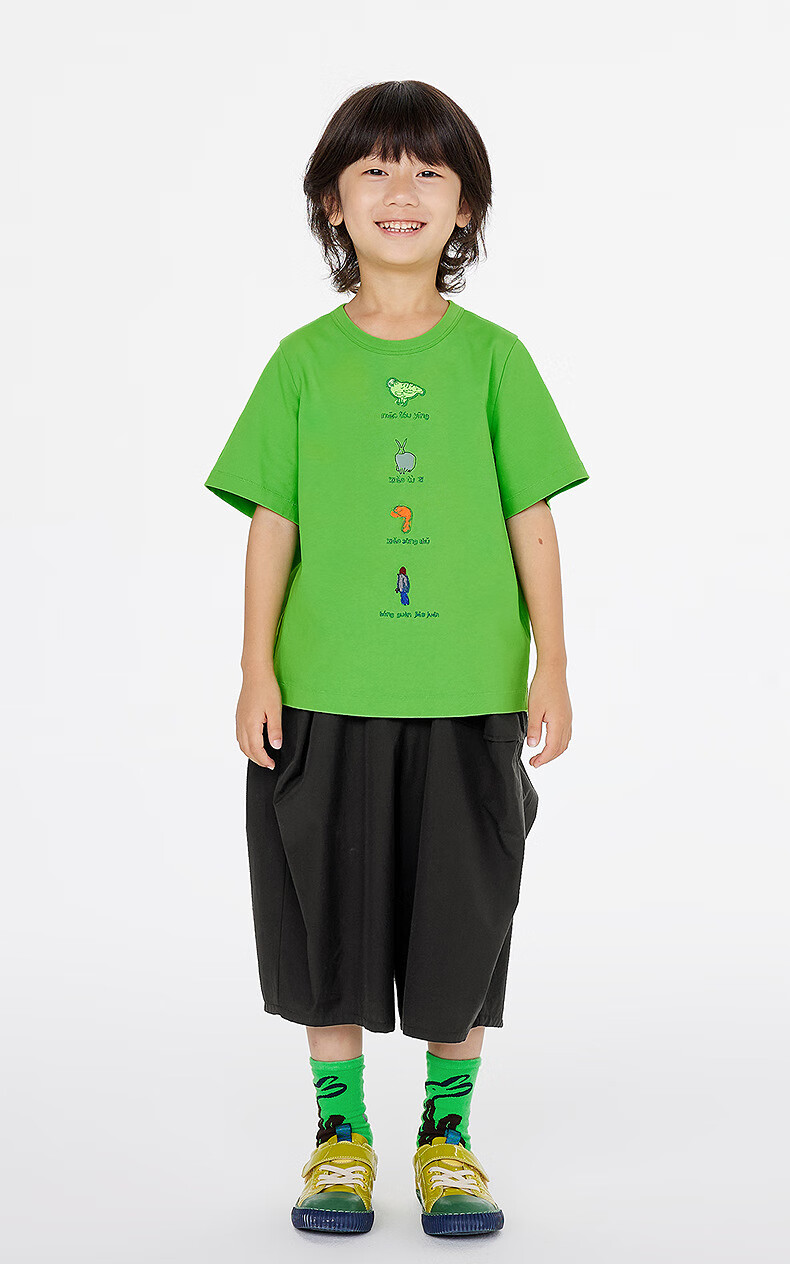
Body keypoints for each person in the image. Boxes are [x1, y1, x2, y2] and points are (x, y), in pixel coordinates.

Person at [204, 79, 589, 1238]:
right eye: (372, 169)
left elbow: (531, 516)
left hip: (468, 692)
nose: (400, 189)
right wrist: (255, 667)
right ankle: (339, 1137)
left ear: (466, 207)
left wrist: (552, 664)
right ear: (332, 204)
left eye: (428, 169)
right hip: (324, 693)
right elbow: (273, 523)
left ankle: (446, 1139)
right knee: (319, 917)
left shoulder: (494, 360)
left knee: (462, 918)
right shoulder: (301, 363)